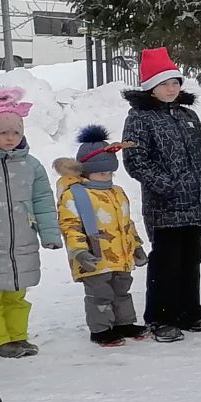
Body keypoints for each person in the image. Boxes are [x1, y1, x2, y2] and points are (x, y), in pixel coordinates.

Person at [120, 47, 201, 342]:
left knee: (192, 257)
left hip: (196, 201)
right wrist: (167, 185)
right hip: (165, 204)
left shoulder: (187, 115)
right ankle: (160, 317)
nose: (171, 88)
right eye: (164, 83)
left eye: (175, 82)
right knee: (167, 260)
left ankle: (190, 312)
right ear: (150, 87)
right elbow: (136, 160)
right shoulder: (140, 118)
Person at [53, 125, 148, 347]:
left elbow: (127, 223)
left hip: (121, 256)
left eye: (109, 172)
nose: (106, 177)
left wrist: (136, 246)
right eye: (100, 172)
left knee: (122, 291)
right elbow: (71, 225)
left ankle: (124, 323)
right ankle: (101, 329)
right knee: (100, 294)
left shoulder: (117, 192)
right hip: (94, 257)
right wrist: (79, 252)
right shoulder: (75, 195)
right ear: (84, 172)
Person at [0, 88, 61, 358]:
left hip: (21, 242)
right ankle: (2, 340)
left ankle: (18, 336)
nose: (10, 138)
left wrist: (50, 234)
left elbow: (43, 202)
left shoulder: (32, 165)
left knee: (16, 294)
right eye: (3, 132)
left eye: (16, 133)